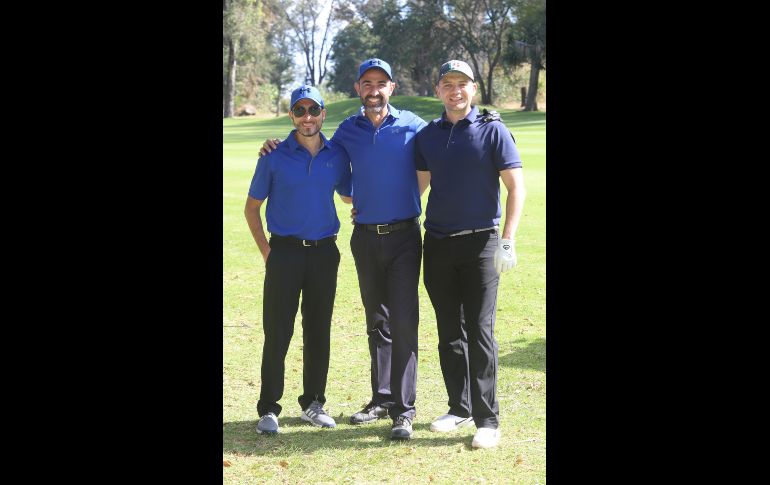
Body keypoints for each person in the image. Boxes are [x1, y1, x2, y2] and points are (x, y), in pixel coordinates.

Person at [260, 59, 427, 440]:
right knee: (377, 321)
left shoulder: (414, 126)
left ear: (392, 87)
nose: (374, 90)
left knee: (403, 320)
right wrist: (272, 144)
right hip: (364, 237)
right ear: (357, 89)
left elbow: (440, 150)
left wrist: (489, 121)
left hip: (403, 236)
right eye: (367, 83)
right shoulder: (347, 132)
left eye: (381, 83)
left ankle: (404, 410)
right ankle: (381, 398)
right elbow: (330, 168)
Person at [415, 60, 526, 449]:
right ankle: (458, 407)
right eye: (447, 84)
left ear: (473, 89)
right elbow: (417, 190)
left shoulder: (492, 130)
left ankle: (487, 419)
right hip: (438, 243)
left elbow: (516, 187)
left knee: (479, 330)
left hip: (481, 244)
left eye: (462, 84)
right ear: (438, 89)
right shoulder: (428, 136)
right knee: (449, 331)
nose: (455, 90)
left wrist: (507, 239)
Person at [244, 85, 353, 435]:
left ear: (323, 113)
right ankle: (268, 408)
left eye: (314, 110)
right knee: (278, 331)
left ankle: (313, 403)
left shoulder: (337, 155)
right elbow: (251, 209)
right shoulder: (273, 156)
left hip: (325, 252)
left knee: (318, 329)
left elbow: (351, 196)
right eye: (300, 110)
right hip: (285, 253)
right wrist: (267, 251)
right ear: (291, 115)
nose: (308, 116)